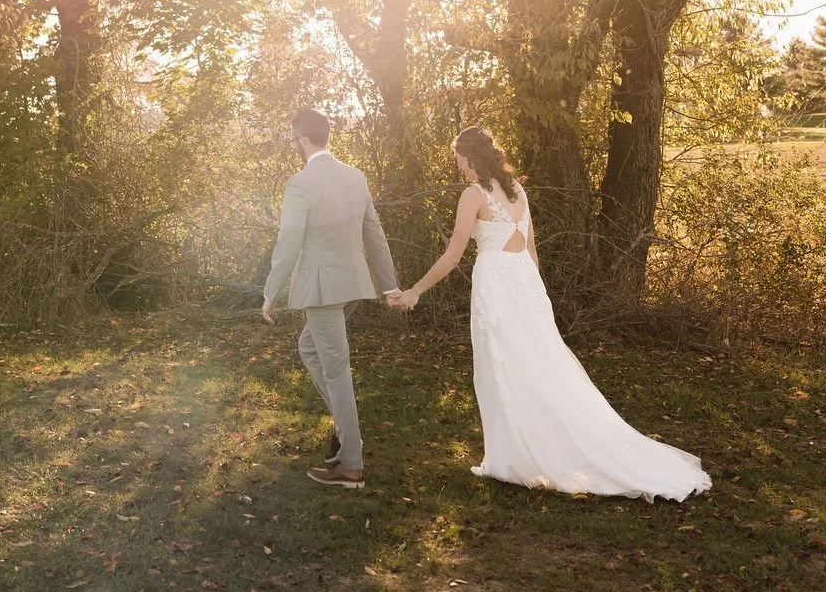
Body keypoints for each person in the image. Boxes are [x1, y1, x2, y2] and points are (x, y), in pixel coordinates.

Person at [394, 127, 711, 502]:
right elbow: (531, 251)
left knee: (504, 368)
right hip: (526, 283)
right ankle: (517, 450)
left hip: (497, 286)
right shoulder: (516, 190)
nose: (457, 164)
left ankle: (514, 458)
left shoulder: (473, 194)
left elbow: (452, 256)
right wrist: (536, 296)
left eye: (458, 157)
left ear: (469, 156)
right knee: (538, 365)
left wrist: (415, 290)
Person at [261, 108, 401, 490]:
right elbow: (375, 233)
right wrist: (387, 285)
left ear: (303, 139)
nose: (294, 146)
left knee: (336, 370)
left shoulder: (301, 183)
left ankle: (351, 464)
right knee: (309, 348)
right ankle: (346, 429)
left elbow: (288, 241)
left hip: (323, 290)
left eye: (293, 140)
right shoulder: (355, 177)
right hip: (353, 284)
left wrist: (271, 291)